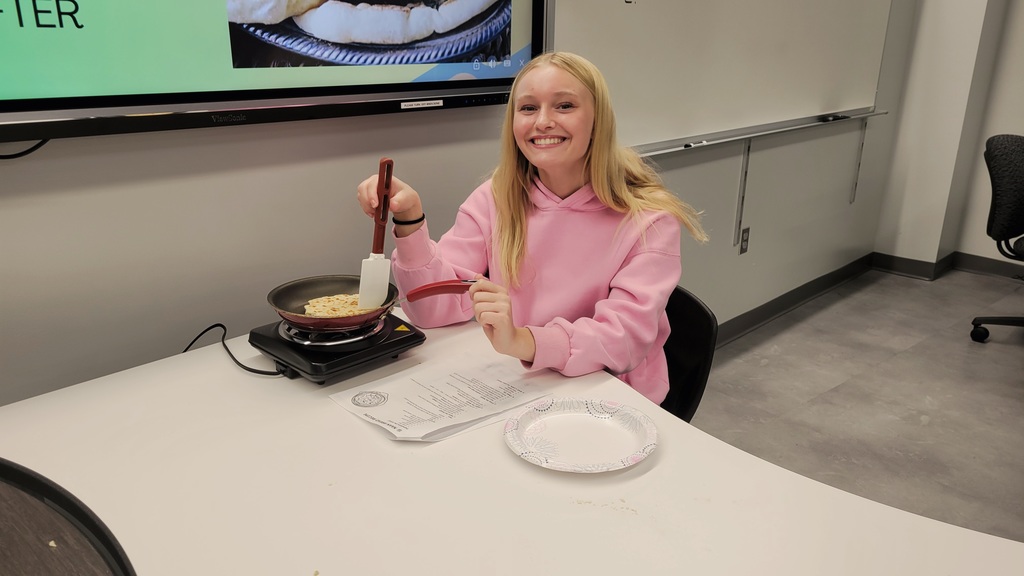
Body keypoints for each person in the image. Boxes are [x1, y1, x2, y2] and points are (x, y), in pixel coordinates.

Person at [356, 51, 707, 405]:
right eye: (527, 108)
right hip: (522, 379)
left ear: (598, 120)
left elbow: (622, 340)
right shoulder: (496, 197)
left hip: (610, 396)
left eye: (565, 106)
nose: (543, 122)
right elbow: (431, 308)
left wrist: (524, 340)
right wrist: (409, 218)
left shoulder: (650, 221)